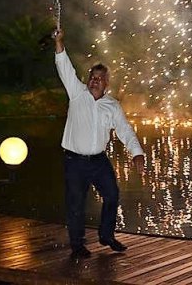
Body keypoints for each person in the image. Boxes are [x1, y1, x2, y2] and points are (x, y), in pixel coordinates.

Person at [54, 28, 145, 259]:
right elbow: (64, 67)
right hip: (74, 161)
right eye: (92, 77)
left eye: (100, 79)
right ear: (88, 80)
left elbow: (124, 130)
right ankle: (77, 245)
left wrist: (137, 153)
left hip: (98, 161)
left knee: (112, 195)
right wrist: (59, 42)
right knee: (76, 204)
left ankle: (106, 235)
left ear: (106, 84)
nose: (95, 81)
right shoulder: (76, 93)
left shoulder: (112, 105)